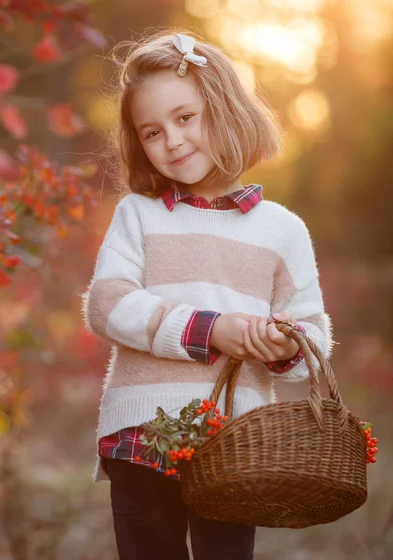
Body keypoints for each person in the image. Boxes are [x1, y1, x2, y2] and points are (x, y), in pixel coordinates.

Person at [81, 31, 333, 560]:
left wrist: (283, 343)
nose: (171, 140)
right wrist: (211, 329)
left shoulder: (281, 230)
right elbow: (108, 303)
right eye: (151, 131)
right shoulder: (139, 215)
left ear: (224, 109)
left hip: (236, 444)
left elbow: (313, 334)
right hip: (143, 433)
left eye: (185, 118)